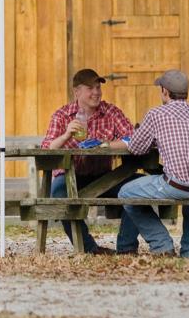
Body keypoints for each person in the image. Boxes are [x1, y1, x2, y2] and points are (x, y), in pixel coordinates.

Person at [108, 69, 189, 257]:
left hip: (175, 185)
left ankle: (162, 244)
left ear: (164, 91)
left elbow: (137, 148)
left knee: (126, 193)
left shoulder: (156, 114)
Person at [41, 68, 134, 255]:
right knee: (58, 196)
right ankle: (89, 249)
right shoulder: (62, 115)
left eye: (98, 87)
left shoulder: (111, 112)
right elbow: (46, 151)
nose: (96, 92)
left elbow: (133, 139)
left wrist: (106, 145)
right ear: (77, 92)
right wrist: (67, 134)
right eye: (90, 88)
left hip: (105, 177)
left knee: (137, 188)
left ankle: (127, 248)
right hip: (71, 176)